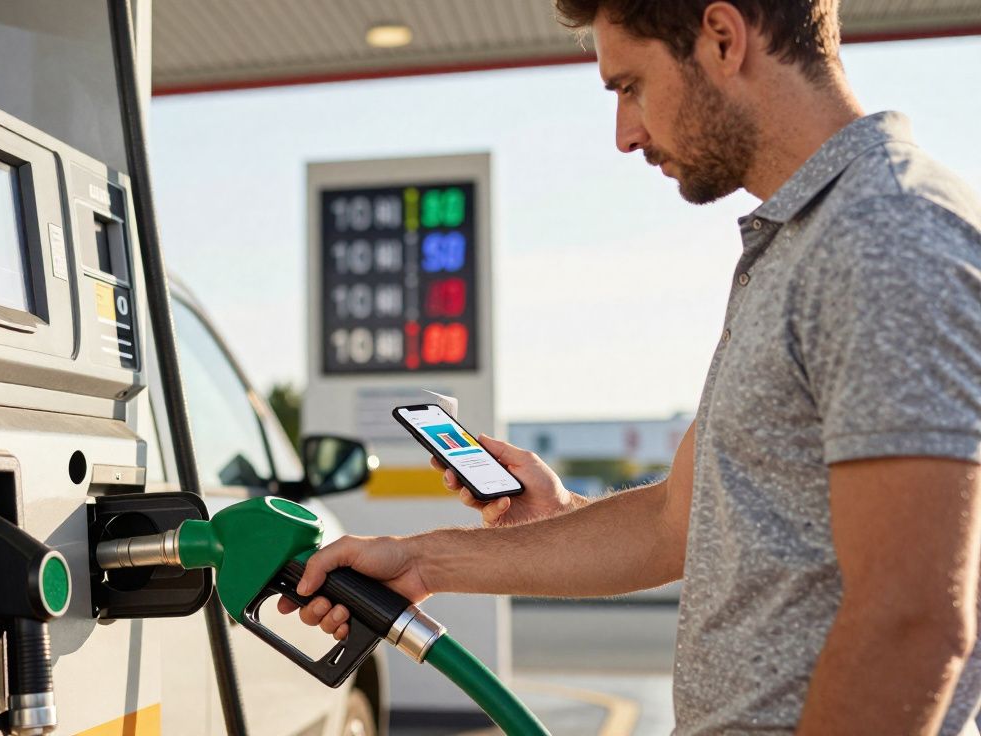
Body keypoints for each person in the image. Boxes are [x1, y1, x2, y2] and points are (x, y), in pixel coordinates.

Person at [281, 1, 981, 733]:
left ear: (722, 37)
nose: (625, 134)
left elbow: (912, 620)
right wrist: (433, 558)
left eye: (631, 86)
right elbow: (677, 520)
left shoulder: (884, 237)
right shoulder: (801, 245)